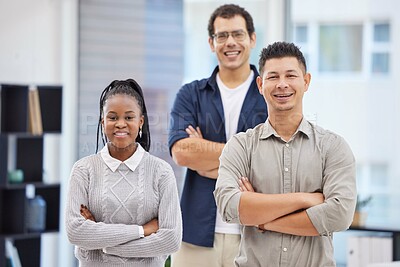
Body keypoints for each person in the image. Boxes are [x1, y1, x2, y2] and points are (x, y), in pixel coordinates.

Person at [214, 41, 357, 267]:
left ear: (306, 81)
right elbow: (229, 207)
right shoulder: (240, 146)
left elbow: (339, 214)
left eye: (291, 76)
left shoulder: (333, 147)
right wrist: (305, 199)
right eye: (273, 77)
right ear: (260, 84)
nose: (282, 85)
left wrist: (262, 220)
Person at [168, 4, 267, 267]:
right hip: (195, 235)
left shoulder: (270, 97)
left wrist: (206, 154)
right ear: (211, 43)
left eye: (238, 34)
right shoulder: (191, 94)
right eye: (222, 36)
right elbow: (182, 152)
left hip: (254, 234)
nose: (230, 42)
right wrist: (243, 160)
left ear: (252, 39)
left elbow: (274, 161)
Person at [65, 79, 182, 267]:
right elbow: (75, 232)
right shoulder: (83, 170)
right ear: (103, 122)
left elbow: (171, 239)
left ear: (141, 121)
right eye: (112, 117)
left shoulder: (161, 172)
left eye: (129, 117)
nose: (120, 124)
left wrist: (104, 244)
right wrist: (143, 230)